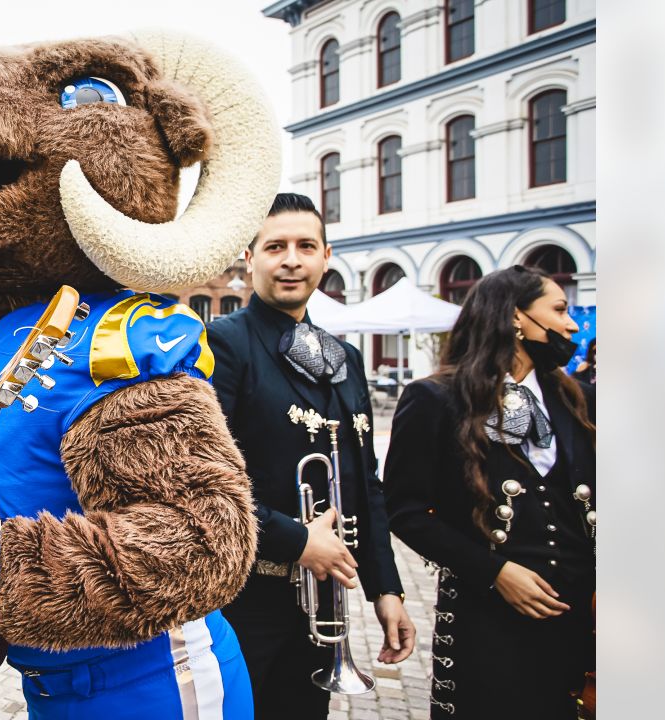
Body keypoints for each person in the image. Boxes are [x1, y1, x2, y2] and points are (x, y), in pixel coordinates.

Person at [207, 193, 415, 718]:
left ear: (327, 256)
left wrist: (386, 589)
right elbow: (204, 480)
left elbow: (364, 482)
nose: (292, 259)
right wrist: (297, 540)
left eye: (306, 246)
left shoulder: (343, 356)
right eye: (275, 246)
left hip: (322, 603)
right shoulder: (221, 344)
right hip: (243, 599)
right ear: (250, 259)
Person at [383, 265, 595, 719]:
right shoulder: (436, 399)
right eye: (558, 309)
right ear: (516, 318)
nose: (571, 324)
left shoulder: (579, 396)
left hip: (579, 617)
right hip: (489, 620)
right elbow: (406, 511)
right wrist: (495, 572)